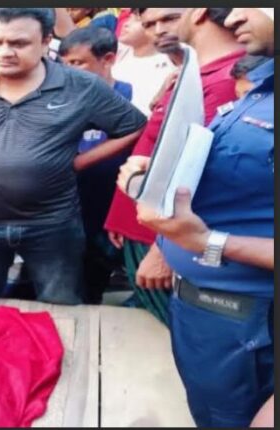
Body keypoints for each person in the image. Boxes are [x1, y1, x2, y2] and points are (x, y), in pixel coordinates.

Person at [0, 8, 147, 304]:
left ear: (45, 42)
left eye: (18, 43)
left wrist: (80, 161)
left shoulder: (80, 86)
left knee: (60, 302)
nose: (4, 52)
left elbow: (135, 127)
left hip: (52, 223)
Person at [123, 8, 274, 427]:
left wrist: (207, 242)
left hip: (250, 319)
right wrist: (154, 177)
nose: (233, 14)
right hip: (206, 313)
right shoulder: (258, 85)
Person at [104, 8, 244, 325]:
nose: (157, 30)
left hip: (165, 237)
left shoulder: (228, 80)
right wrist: (120, 214)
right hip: (143, 224)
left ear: (199, 12)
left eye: (169, 18)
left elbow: (200, 174)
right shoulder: (191, 71)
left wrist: (164, 251)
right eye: (149, 23)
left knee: (175, 328)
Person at [59, 27, 134, 304]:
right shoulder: (59, 98)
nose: (68, 70)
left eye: (77, 62)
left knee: (94, 280)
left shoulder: (130, 95)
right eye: (64, 63)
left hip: (108, 205)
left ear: (108, 59)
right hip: (66, 206)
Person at [113, 13, 176, 117]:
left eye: (136, 20)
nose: (126, 24)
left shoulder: (169, 63)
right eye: (128, 19)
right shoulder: (119, 57)